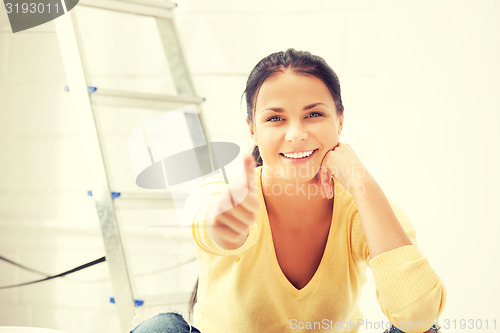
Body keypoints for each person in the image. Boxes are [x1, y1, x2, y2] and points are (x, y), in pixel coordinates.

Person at [130, 49, 446, 333]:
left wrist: (363, 185)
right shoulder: (229, 196)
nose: (295, 134)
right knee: (160, 329)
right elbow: (211, 219)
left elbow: (417, 316)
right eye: (276, 118)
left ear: (340, 120)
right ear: (253, 129)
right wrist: (224, 227)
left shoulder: (364, 210)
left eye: (314, 114)